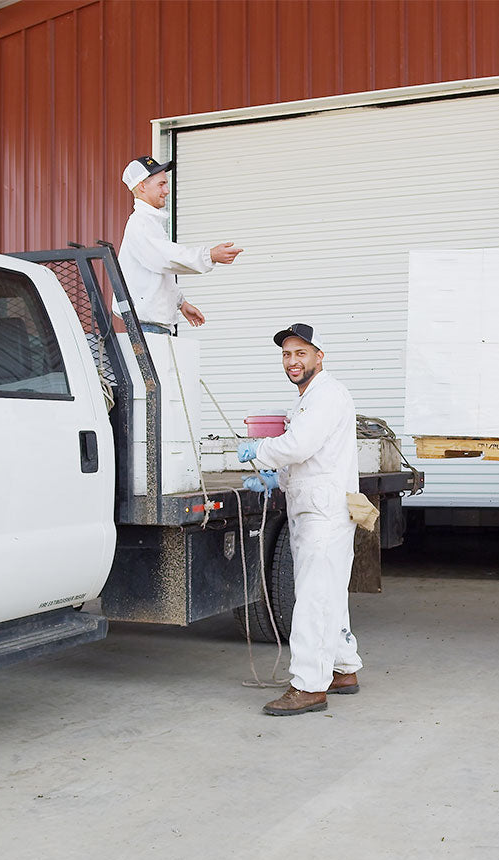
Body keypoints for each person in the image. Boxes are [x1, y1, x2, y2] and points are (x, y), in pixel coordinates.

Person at [237, 323, 362, 716]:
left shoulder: (326, 394)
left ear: (319, 356)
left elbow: (300, 445)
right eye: (287, 355)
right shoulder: (309, 398)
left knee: (312, 596)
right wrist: (278, 476)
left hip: (323, 511)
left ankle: (309, 686)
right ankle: (342, 669)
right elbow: (309, 455)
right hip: (316, 505)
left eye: (301, 353)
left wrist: (262, 449)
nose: (293, 361)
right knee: (328, 591)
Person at [115, 156, 242, 335]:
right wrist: (209, 255)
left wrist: (181, 303)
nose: (166, 190)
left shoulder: (150, 223)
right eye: (161, 184)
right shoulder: (140, 224)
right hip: (148, 329)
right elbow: (165, 258)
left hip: (154, 327)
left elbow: (159, 275)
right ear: (142, 186)